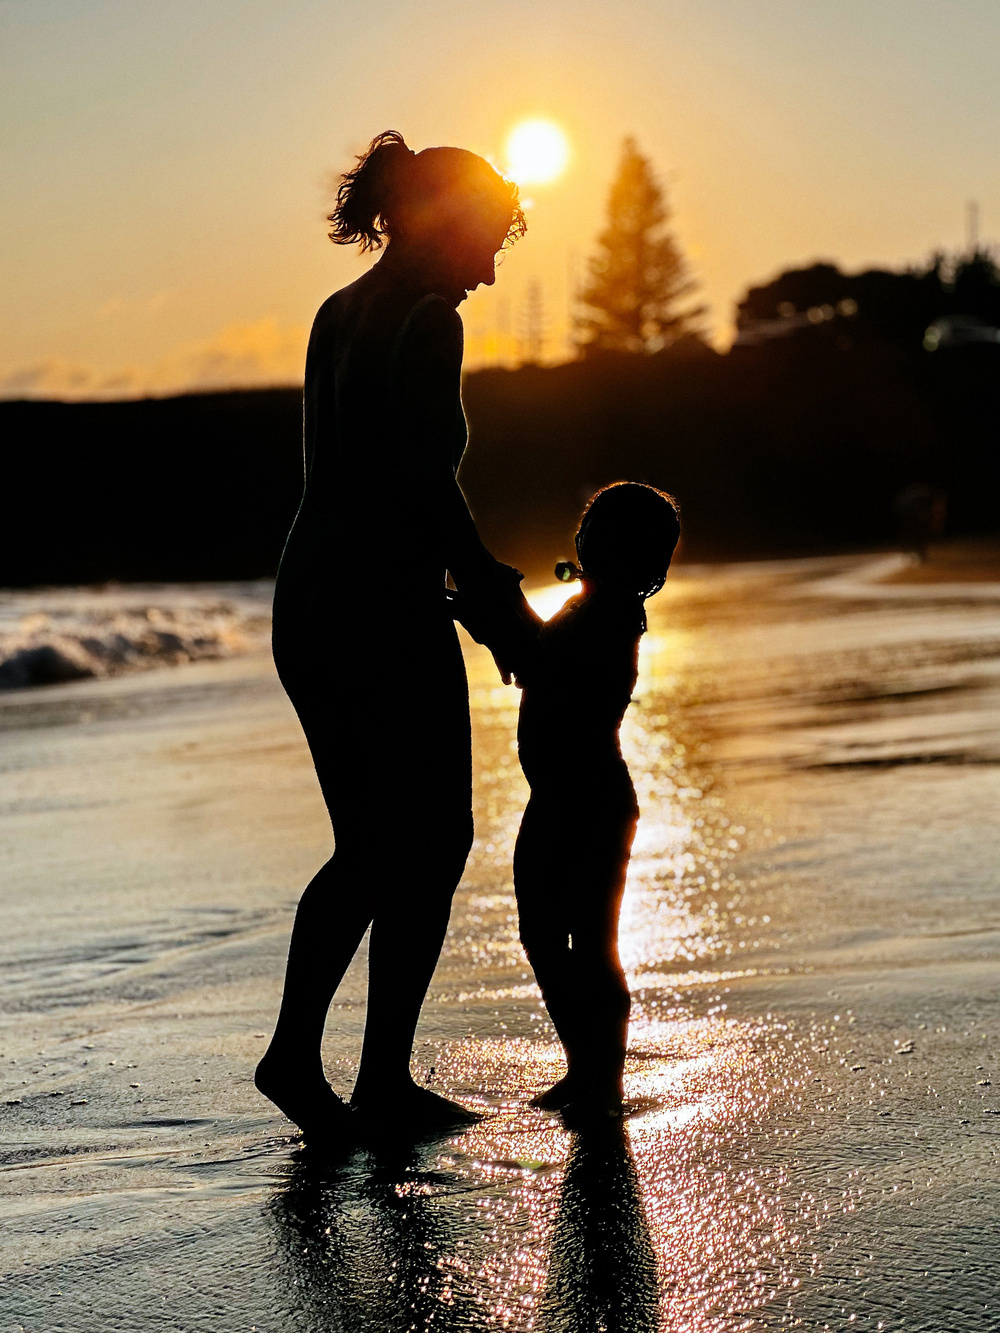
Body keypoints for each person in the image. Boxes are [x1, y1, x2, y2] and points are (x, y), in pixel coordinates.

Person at [255, 131, 535, 1139]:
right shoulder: (426, 319)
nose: (491, 269)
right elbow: (422, 485)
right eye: (489, 241)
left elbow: (343, 472)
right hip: (380, 600)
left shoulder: (339, 311)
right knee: (433, 835)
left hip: (308, 593)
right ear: (444, 223)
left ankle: (306, 1057)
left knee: (367, 842)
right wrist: (498, 604)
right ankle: (374, 1076)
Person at [513, 482, 680, 1119]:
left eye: (602, 533)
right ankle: (585, 1066)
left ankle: (601, 1080)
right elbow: (537, 658)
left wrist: (498, 613)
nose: (589, 540)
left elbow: (541, 661)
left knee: (589, 941)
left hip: (587, 798)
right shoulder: (591, 603)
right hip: (563, 795)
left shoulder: (610, 610)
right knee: (543, 933)